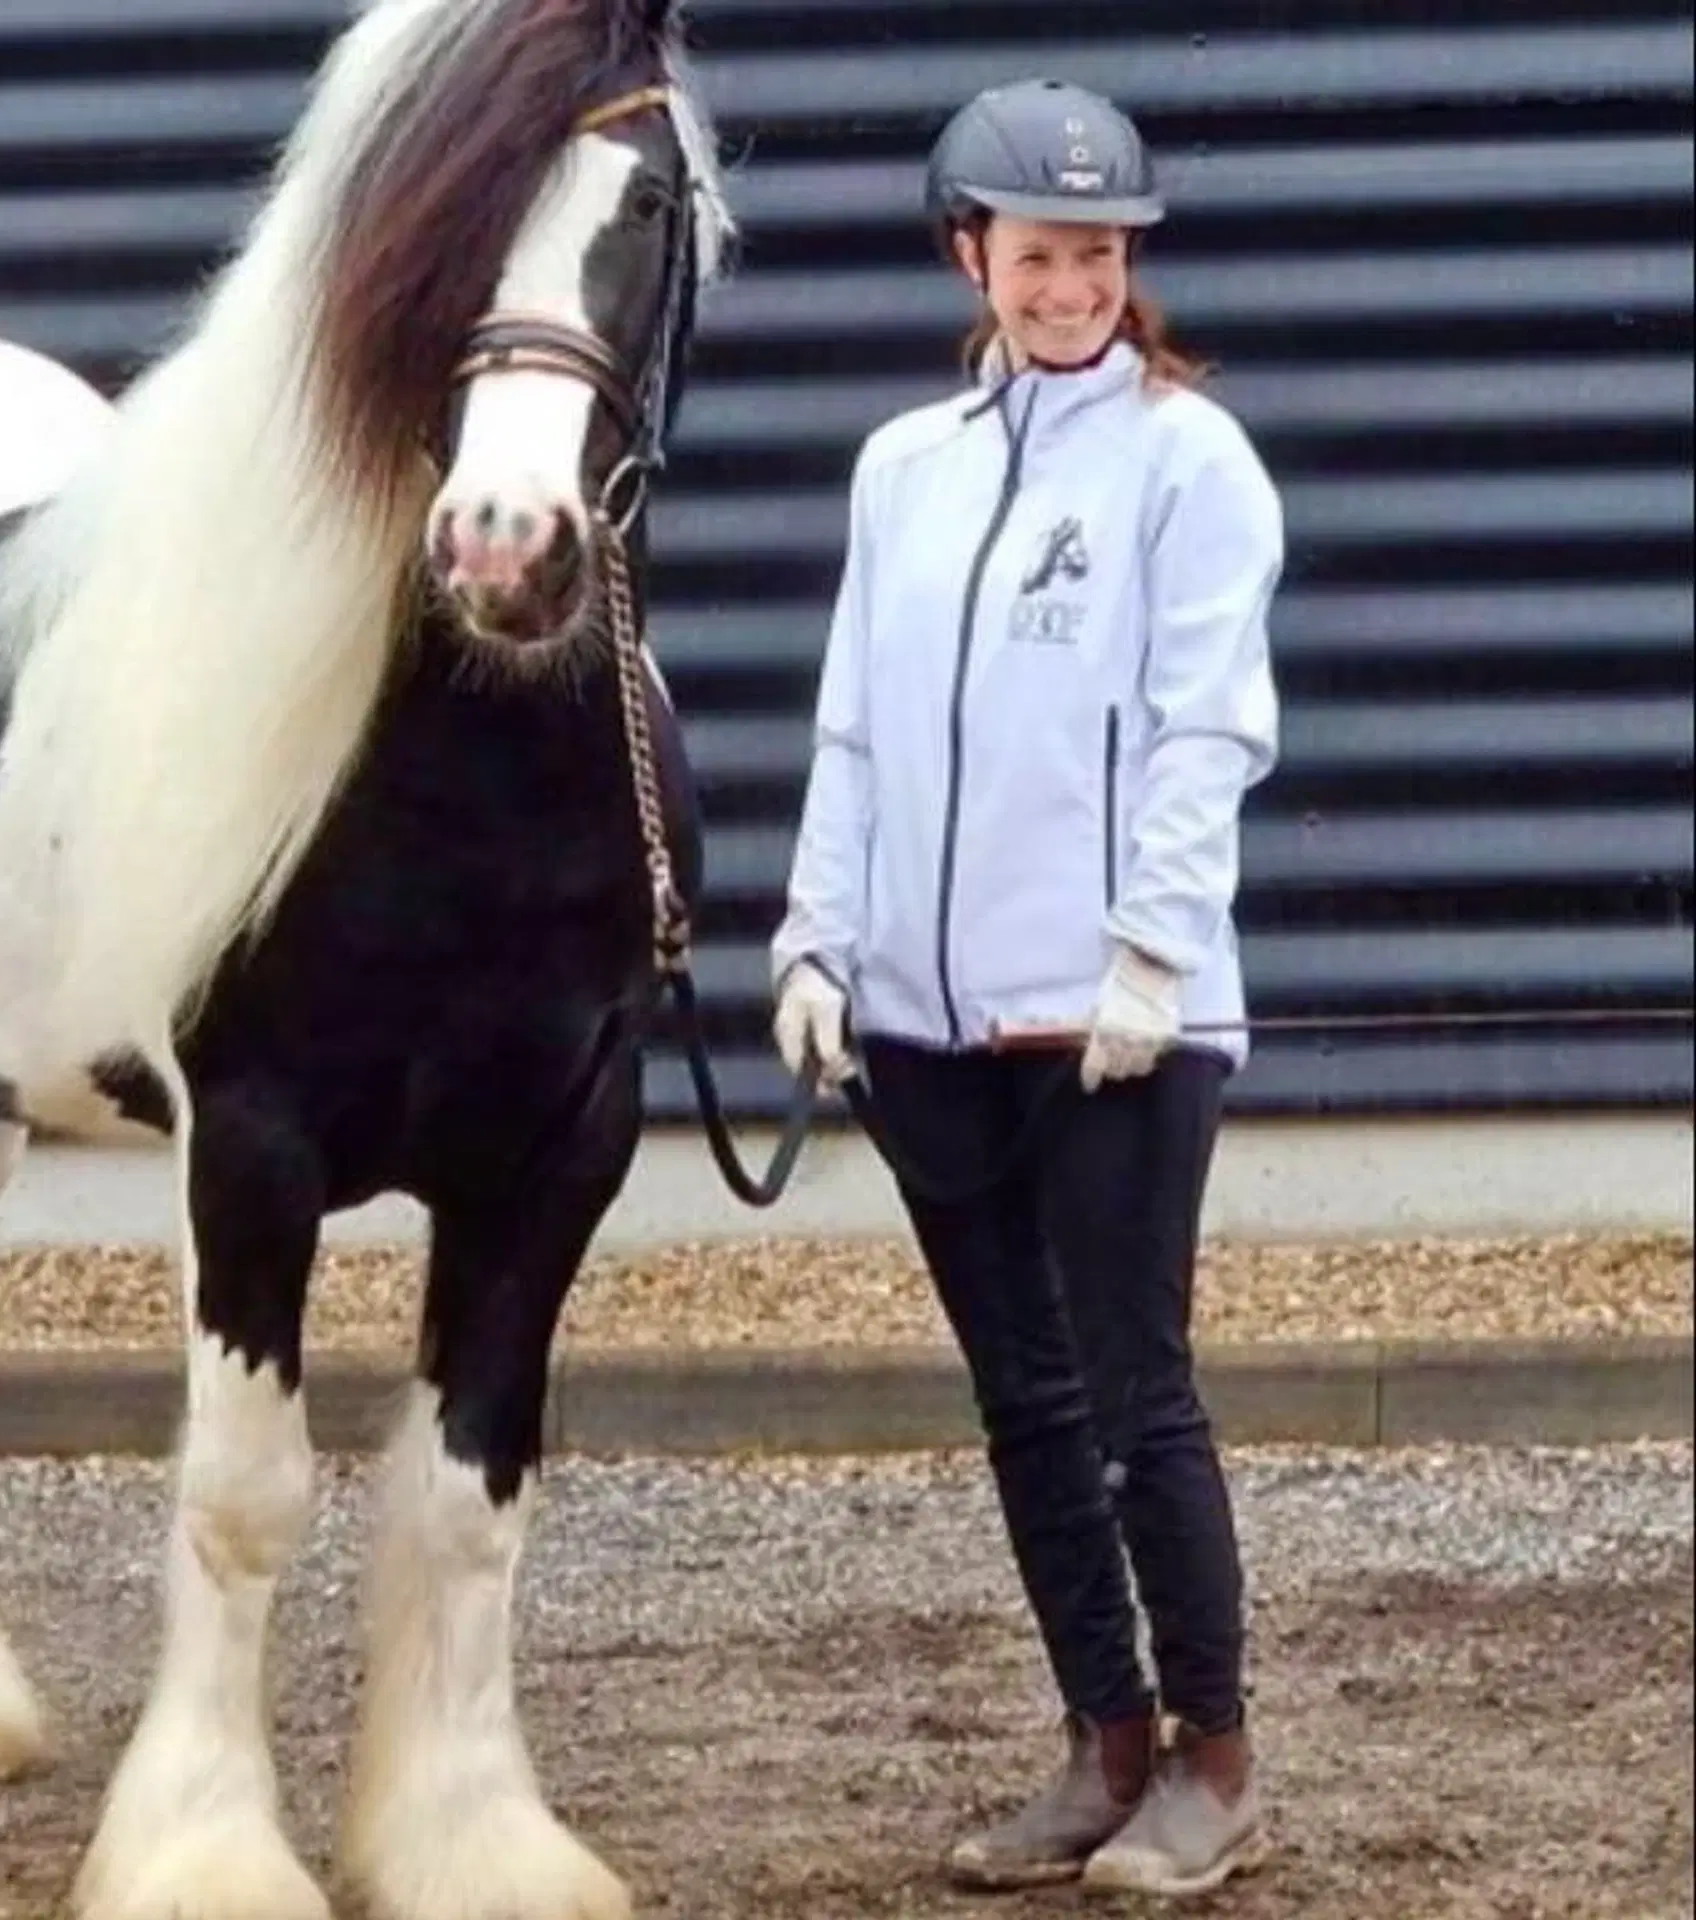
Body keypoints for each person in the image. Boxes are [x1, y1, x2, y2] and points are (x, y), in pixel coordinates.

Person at [768, 77, 1283, 1898]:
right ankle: (1102, 1739)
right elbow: (854, 728)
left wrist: (1153, 950)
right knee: (1023, 1400)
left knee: (1139, 1392)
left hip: (1115, 1023)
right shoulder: (903, 467)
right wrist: (818, 940)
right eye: (1039, 252)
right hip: (925, 1023)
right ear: (970, 254)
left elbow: (1208, 729)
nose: (1071, 284)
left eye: (1100, 254)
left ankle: (1214, 1760)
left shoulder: (1184, 459)